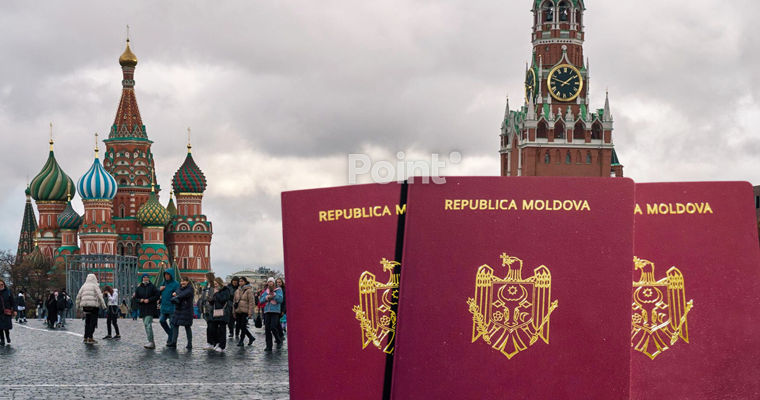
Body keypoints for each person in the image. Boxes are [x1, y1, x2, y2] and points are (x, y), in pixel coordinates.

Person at [75, 274, 107, 344]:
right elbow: (100, 296)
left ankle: (85, 337)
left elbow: (78, 296)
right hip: (93, 307)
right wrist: (104, 306)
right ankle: (90, 337)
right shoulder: (95, 286)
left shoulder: (83, 286)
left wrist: (77, 307)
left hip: (85, 307)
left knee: (87, 321)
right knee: (93, 322)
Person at [134, 273, 160, 349]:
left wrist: (149, 300)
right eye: (144, 277)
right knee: (146, 325)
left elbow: (157, 296)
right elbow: (135, 298)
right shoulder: (139, 288)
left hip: (150, 308)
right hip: (143, 309)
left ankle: (151, 341)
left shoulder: (152, 287)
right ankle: (151, 341)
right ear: (142, 278)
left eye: (147, 277)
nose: (145, 278)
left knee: (147, 324)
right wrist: (140, 300)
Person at [167, 277, 194, 349]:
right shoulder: (179, 288)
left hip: (186, 310)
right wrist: (176, 295)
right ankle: (173, 342)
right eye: (181, 281)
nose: (182, 283)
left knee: (187, 326)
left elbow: (183, 294)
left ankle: (189, 343)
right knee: (175, 325)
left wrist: (176, 294)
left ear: (188, 282)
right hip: (178, 310)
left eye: (184, 281)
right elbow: (177, 294)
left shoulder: (190, 289)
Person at [259, 277, 284, 351]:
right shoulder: (266, 291)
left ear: (273, 283)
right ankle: (268, 346)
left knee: (273, 327)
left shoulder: (278, 290)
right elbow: (261, 300)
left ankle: (278, 340)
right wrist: (266, 297)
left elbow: (280, 300)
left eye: (271, 282)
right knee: (267, 329)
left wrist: (274, 295)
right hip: (267, 311)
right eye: (269, 282)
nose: (270, 283)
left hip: (275, 311)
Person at [208, 277, 231, 352]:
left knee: (222, 330)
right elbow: (214, 302)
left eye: (216, 283)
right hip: (216, 312)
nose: (215, 285)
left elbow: (223, 299)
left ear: (220, 283)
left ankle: (222, 346)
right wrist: (210, 300)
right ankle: (217, 343)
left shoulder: (226, 290)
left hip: (223, 312)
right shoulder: (216, 291)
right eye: (214, 284)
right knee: (214, 329)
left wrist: (216, 293)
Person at [233, 276, 256, 346]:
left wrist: (250, 312)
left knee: (243, 326)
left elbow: (251, 302)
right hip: (238, 310)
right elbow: (234, 301)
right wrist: (234, 311)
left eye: (242, 281)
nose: (240, 282)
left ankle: (241, 340)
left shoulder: (249, 291)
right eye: (239, 281)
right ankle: (251, 337)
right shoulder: (237, 291)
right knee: (240, 326)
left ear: (245, 282)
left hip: (245, 311)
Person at [158, 268, 179, 343]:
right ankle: (171, 334)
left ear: (171, 275)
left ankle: (172, 341)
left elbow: (178, 293)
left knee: (172, 324)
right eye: (165, 275)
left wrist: (175, 293)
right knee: (162, 321)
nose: (166, 276)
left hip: (172, 307)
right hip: (164, 307)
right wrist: (159, 290)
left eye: (168, 275)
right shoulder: (163, 283)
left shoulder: (176, 284)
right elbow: (158, 293)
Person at [198, 273, 216, 350]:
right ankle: (209, 342)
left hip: (211, 309)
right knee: (209, 326)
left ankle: (212, 342)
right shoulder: (206, 286)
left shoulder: (213, 287)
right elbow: (202, 297)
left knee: (211, 326)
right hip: (205, 308)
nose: (205, 278)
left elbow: (212, 298)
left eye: (206, 277)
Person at [0, 279, 16, 346]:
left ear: (4, 285)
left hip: (6, 312)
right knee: (0, 328)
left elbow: (13, 302)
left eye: (2, 284)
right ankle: (2, 340)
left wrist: (15, 310)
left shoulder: (8, 292)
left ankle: (7, 337)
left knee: (6, 327)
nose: (1, 286)